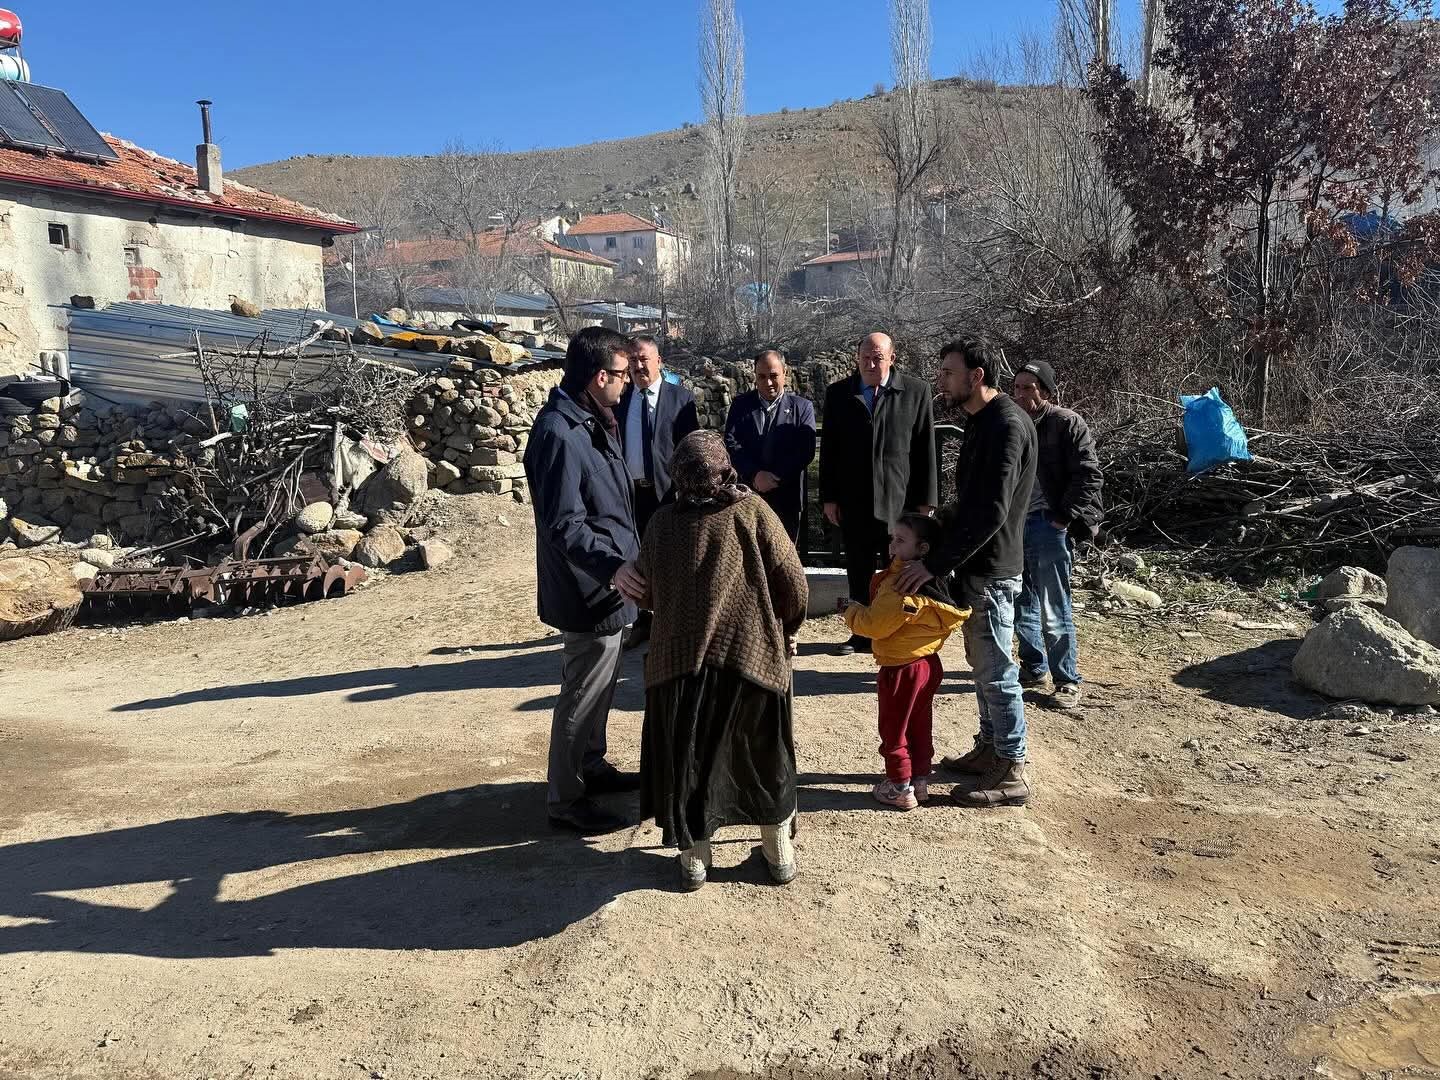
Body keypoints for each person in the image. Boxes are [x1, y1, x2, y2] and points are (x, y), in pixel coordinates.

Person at [613, 431, 808, 892]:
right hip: (750, 658)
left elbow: (649, 593)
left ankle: (694, 860)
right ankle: (777, 853)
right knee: (763, 755)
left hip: (679, 666)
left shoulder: (662, 524)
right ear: (724, 468)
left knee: (690, 759)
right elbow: (794, 583)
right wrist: (787, 629)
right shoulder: (754, 512)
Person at [894, 339, 1037, 808]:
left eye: (948, 373)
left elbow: (993, 511)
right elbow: (975, 503)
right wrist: (937, 523)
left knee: (996, 671)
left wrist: (934, 564)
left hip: (992, 569)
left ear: (977, 376)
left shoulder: (1006, 425)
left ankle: (1011, 767)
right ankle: (990, 747)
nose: (941, 380)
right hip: (979, 566)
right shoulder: (983, 421)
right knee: (982, 666)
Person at [522, 325, 643, 834]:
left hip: (608, 585)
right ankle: (566, 798)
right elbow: (564, 524)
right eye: (621, 374)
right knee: (582, 693)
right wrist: (613, 567)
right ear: (598, 376)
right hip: (588, 588)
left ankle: (591, 766)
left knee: (601, 686)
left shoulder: (592, 420)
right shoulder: (560, 433)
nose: (628, 382)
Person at [818, 332, 937, 656]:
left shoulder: (915, 391)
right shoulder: (839, 393)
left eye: (877, 358)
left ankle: (895, 631)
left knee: (898, 570)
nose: (870, 364)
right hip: (854, 500)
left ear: (892, 358)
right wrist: (829, 497)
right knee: (858, 569)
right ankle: (860, 634)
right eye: (865, 358)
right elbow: (829, 450)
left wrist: (926, 502)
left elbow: (925, 449)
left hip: (900, 502)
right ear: (857, 359)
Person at [841, 513, 968, 811]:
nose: (892, 545)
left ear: (923, 548)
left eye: (900, 540)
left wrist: (851, 612)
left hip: (900, 667)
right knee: (919, 724)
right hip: (928, 663)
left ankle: (899, 786)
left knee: (894, 728)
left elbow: (875, 625)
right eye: (892, 539)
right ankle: (919, 780)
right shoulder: (937, 583)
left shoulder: (900, 584)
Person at [1010, 359, 1103, 709]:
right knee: (1021, 600)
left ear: (1046, 392)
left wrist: (1063, 517)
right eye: (1016, 387)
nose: (1020, 394)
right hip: (1015, 525)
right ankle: (1034, 667)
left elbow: (1089, 474)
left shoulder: (1066, 423)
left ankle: (1066, 680)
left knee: (1054, 605)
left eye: (1029, 388)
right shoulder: (1010, 423)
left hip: (1049, 526)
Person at [616, 334, 699, 649]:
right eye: (633, 360)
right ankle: (643, 621)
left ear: (659, 361)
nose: (638, 366)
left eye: (644, 359)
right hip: (632, 495)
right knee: (638, 559)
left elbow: (691, 450)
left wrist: (687, 492)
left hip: (668, 495)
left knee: (672, 558)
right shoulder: (621, 399)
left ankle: (672, 622)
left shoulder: (680, 399)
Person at [723, 349, 817, 544]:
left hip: (787, 498)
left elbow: (805, 449)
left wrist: (775, 477)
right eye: (762, 376)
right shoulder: (740, 405)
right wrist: (754, 474)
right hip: (747, 496)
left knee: (784, 557)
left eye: (773, 376)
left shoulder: (802, 407)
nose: (768, 383)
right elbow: (731, 442)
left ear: (785, 372)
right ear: (755, 376)